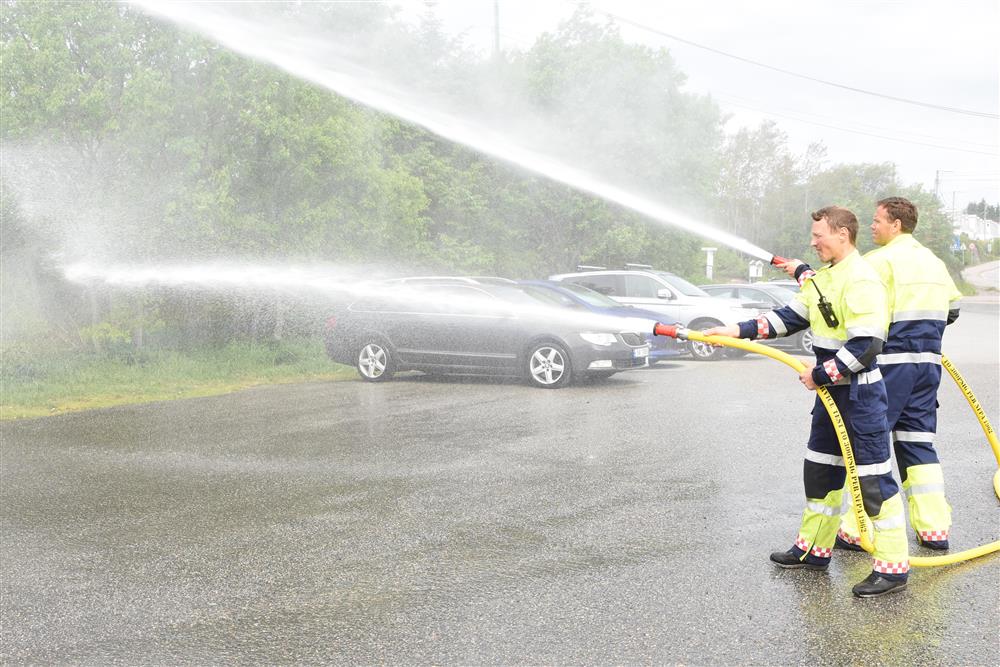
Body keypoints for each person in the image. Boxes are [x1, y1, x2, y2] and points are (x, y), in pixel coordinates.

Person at [705, 205, 909, 598]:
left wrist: (819, 374)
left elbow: (867, 346)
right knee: (820, 472)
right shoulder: (824, 279)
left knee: (873, 483)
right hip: (831, 396)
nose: (813, 243)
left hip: (860, 396)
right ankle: (814, 549)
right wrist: (731, 331)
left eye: (819, 236)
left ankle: (893, 568)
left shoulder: (862, 279)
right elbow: (784, 319)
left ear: (842, 235)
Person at [782, 197, 962, 552]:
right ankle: (934, 529)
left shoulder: (877, 262)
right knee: (917, 442)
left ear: (896, 225)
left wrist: (806, 274)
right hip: (927, 364)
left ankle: (854, 529)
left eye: (878, 221)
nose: (874, 226)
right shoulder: (934, 261)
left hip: (887, 363)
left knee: (866, 450)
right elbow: (952, 311)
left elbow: (836, 297)